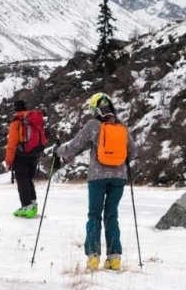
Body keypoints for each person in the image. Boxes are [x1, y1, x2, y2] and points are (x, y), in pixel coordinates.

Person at [56, 92, 137, 271]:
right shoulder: (121, 126)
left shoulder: (93, 125)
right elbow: (133, 150)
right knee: (112, 215)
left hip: (97, 177)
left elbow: (74, 145)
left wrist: (58, 151)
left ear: (95, 109)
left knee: (94, 215)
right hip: (119, 177)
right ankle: (114, 258)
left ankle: (93, 257)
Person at [4, 99, 47, 218]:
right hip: (34, 154)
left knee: (22, 182)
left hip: (21, 156)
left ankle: (27, 207)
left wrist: (8, 161)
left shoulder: (17, 122)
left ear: (15, 109)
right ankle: (33, 205)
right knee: (29, 180)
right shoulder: (33, 119)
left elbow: (12, 144)